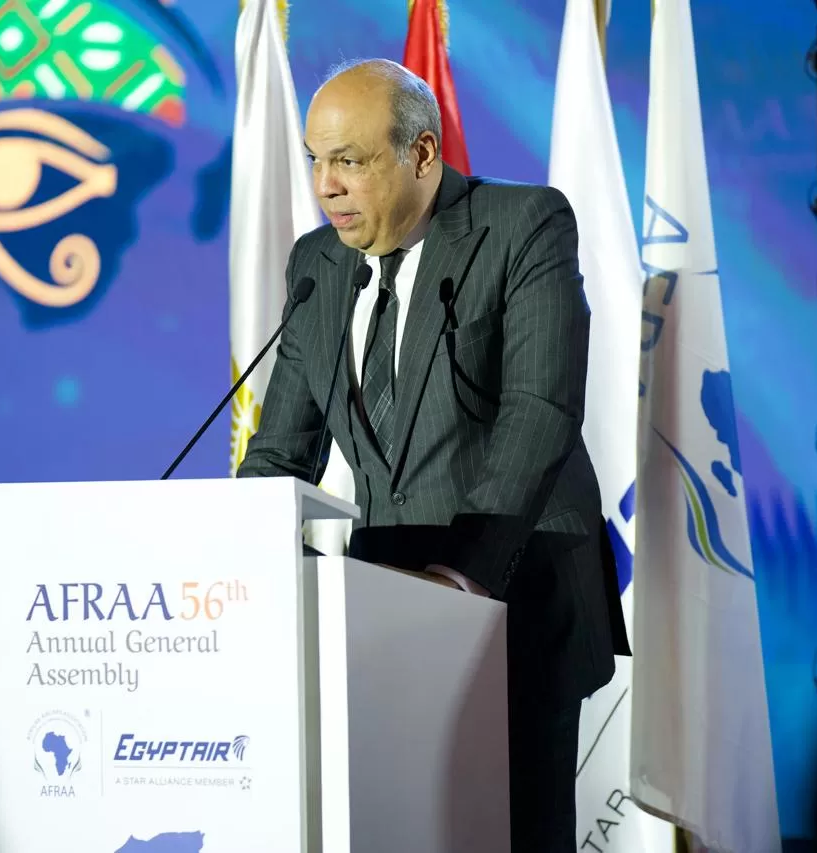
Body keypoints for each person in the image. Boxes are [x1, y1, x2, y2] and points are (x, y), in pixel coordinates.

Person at [237, 58, 629, 850]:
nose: (325, 186)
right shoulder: (317, 265)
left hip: (515, 592)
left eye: (349, 160)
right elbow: (281, 453)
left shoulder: (523, 225)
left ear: (420, 153)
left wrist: (460, 577)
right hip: (377, 615)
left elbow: (540, 410)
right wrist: (226, 562)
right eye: (316, 160)